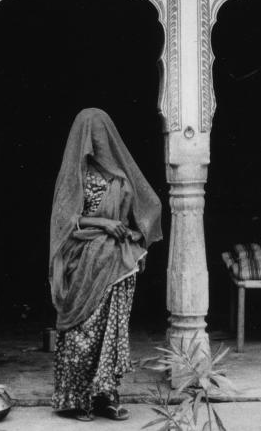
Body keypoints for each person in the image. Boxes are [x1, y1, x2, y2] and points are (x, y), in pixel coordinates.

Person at [48, 108, 162, 422]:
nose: (97, 140)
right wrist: (102, 223)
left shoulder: (120, 174)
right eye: (91, 133)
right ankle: (76, 401)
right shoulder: (76, 173)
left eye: (102, 133)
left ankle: (106, 397)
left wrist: (135, 231)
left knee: (112, 333)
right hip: (85, 260)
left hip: (117, 262)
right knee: (83, 331)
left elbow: (149, 204)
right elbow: (64, 220)